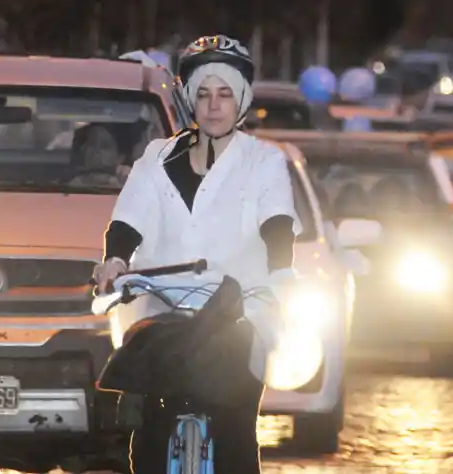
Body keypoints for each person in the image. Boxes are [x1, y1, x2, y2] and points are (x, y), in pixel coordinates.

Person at [93, 34, 301, 474]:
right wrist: (116, 260)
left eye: (225, 94)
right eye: (203, 93)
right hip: (161, 300)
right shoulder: (156, 156)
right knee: (149, 428)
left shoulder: (264, 162)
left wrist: (281, 272)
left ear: (241, 98)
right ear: (188, 97)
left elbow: (277, 224)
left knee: (236, 428)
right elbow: (129, 219)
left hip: (238, 306)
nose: (213, 105)